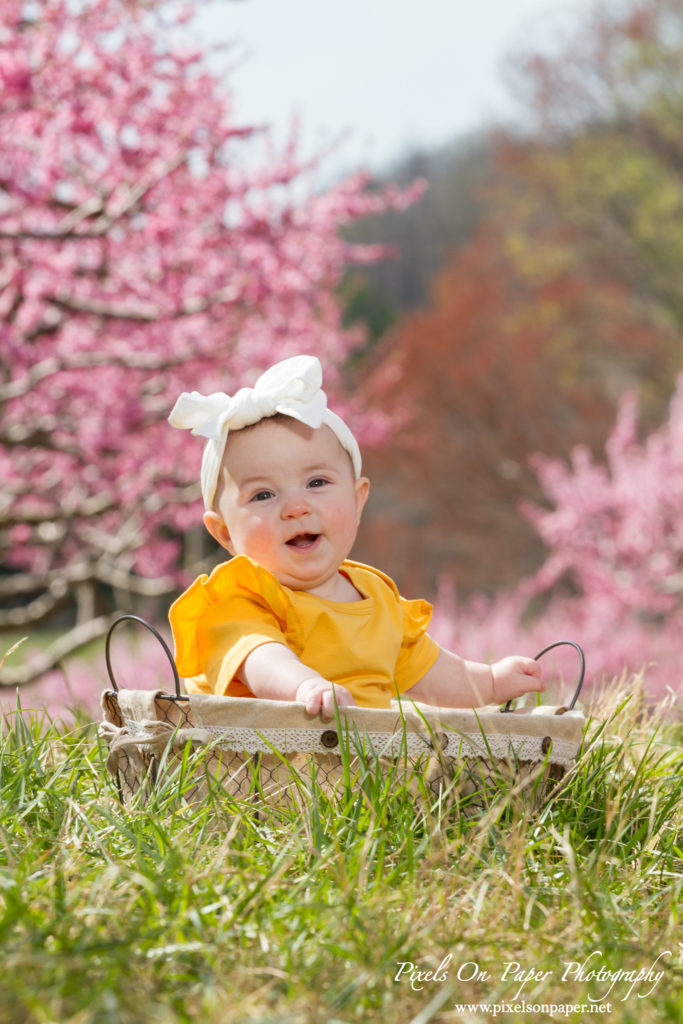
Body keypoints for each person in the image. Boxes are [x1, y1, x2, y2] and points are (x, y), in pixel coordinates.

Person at [168, 355, 544, 719]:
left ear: (358, 498)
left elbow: (431, 671)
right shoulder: (240, 595)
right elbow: (259, 655)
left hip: (359, 770)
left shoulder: (376, 597)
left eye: (317, 482)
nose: (295, 507)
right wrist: (304, 686)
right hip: (261, 766)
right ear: (224, 532)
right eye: (263, 495)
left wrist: (490, 682)